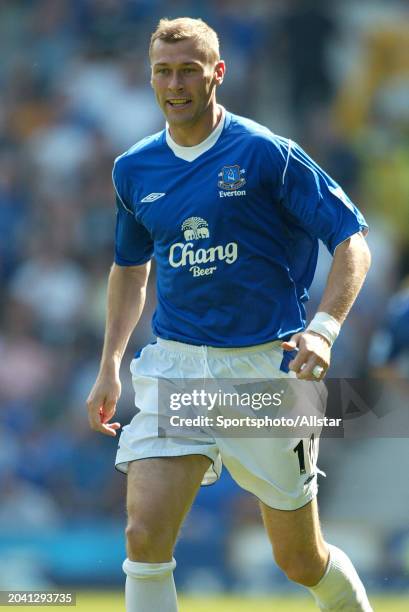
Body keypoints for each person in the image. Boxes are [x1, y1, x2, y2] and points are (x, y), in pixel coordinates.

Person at [87, 17, 372, 612]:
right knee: (143, 538)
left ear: (218, 73)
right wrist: (111, 362)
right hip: (177, 366)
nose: (175, 83)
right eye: (163, 71)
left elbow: (351, 240)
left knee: (300, 561)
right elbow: (130, 268)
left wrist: (323, 330)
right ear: (150, 79)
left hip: (265, 375)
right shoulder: (134, 170)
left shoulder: (266, 154)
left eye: (188, 69)